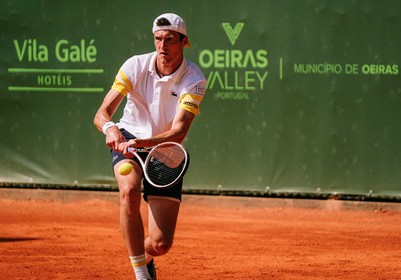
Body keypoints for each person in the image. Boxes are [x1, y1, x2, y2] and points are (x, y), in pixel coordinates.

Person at [93, 13, 206, 280]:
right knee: (129, 191)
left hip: (165, 149)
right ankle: (142, 275)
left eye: (169, 39)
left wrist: (146, 143)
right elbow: (102, 113)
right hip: (129, 138)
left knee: (160, 244)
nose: (162, 46)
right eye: (158, 39)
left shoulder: (194, 79)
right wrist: (111, 128)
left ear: (183, 42)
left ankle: (140, 255)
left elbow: (178, 131)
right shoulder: (135, 66)